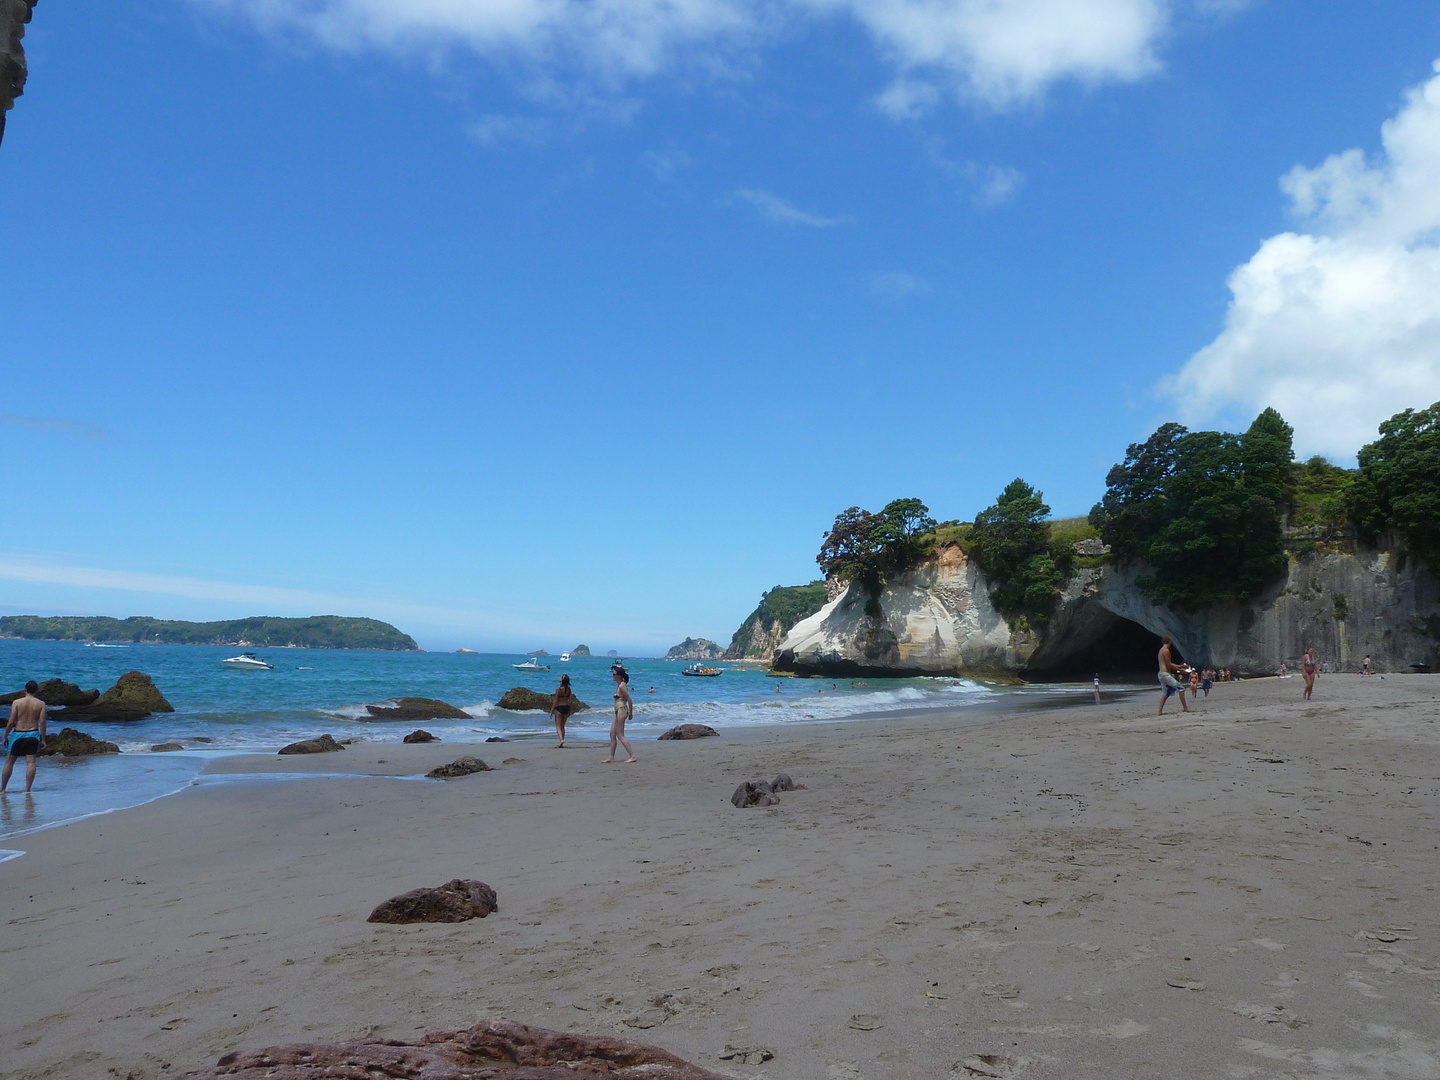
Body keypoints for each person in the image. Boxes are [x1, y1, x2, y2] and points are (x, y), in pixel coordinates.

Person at [2, 680, 47, 794]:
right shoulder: (41, 704)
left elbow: (12, 721)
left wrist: (5, 735)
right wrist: (43, 739)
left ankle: (2, 789)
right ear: (36, 691)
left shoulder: (17, 702)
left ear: (24, 689)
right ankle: (27, 790)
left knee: (9, 762)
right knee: (31, 762)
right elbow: (42, 722)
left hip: (18, 733)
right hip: (33, 733)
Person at [604, 663, 637, 764]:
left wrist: (631, 713)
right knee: (612, 734)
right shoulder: (619, 685)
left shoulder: (622, 686)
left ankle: (632, 756)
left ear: (619, 675)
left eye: (614, 674)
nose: (613, 676)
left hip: (622, 710)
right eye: (613, 674)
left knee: (620, 735)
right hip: (618, 711)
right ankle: (611, 757)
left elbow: (630, 700)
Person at [1158, 636, 1191, 715]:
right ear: (1169, 642)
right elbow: (1169, 665)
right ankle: (1185, 708)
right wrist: (1181, 670)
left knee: (1167, 693)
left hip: (1161, 674)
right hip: (1165, 674)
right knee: (1181, 689)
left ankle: (1160, 711)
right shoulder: (1166, 651)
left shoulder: (1161, 650)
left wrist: (1180, 666)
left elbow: (1168, 663)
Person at [550, 674, 575, 748]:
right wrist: (570, 709)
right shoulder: (569, 689)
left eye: (560, 677)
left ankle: (561, 740)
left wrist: (552, 710)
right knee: (563, 726)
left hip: (559, 708)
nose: (559, 678)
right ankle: (562, 739)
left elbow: (555, 701)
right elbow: (570, 700)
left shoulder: (558, 689)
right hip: (566, 707)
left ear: (562, 680)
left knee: (558, 726)